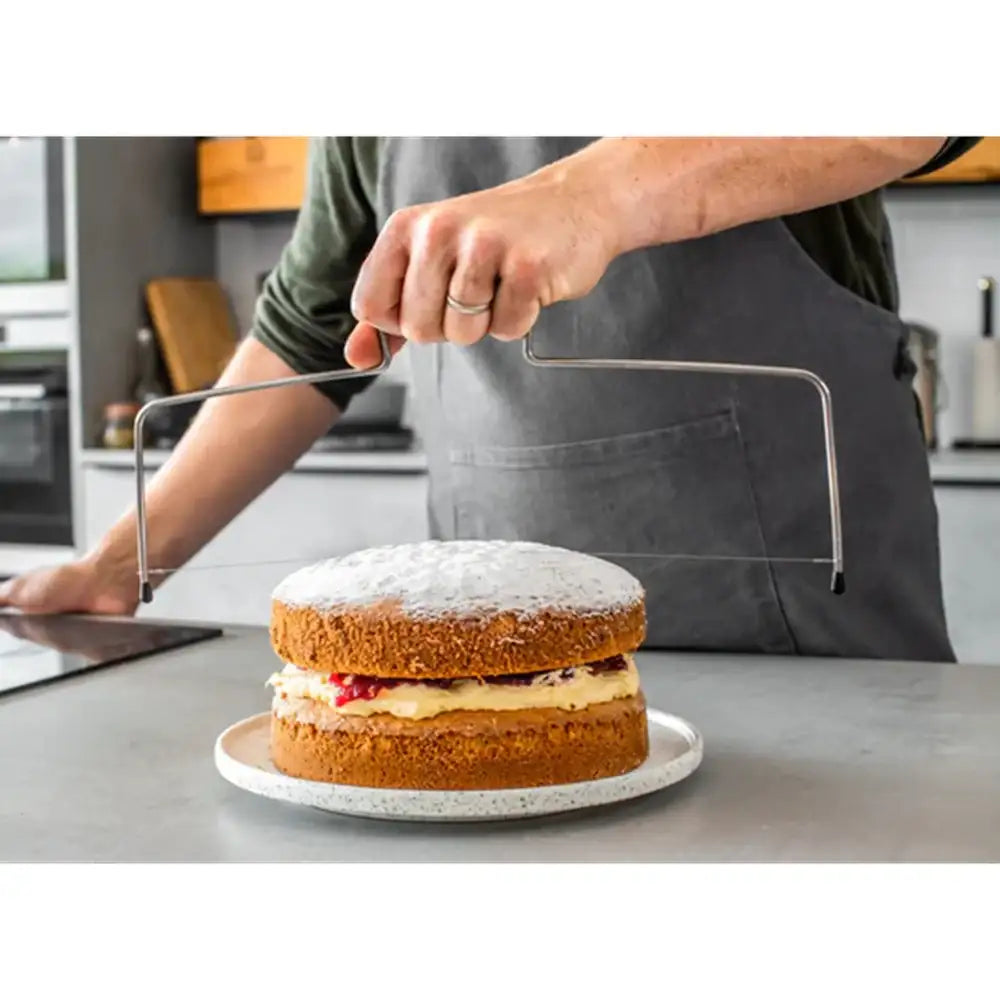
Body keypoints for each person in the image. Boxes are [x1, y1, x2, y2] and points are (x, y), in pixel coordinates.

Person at [0, 137, 979, 660]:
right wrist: (115, 565)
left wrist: (592, 196)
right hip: (485, 663)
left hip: (806, 636)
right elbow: (308, 335)